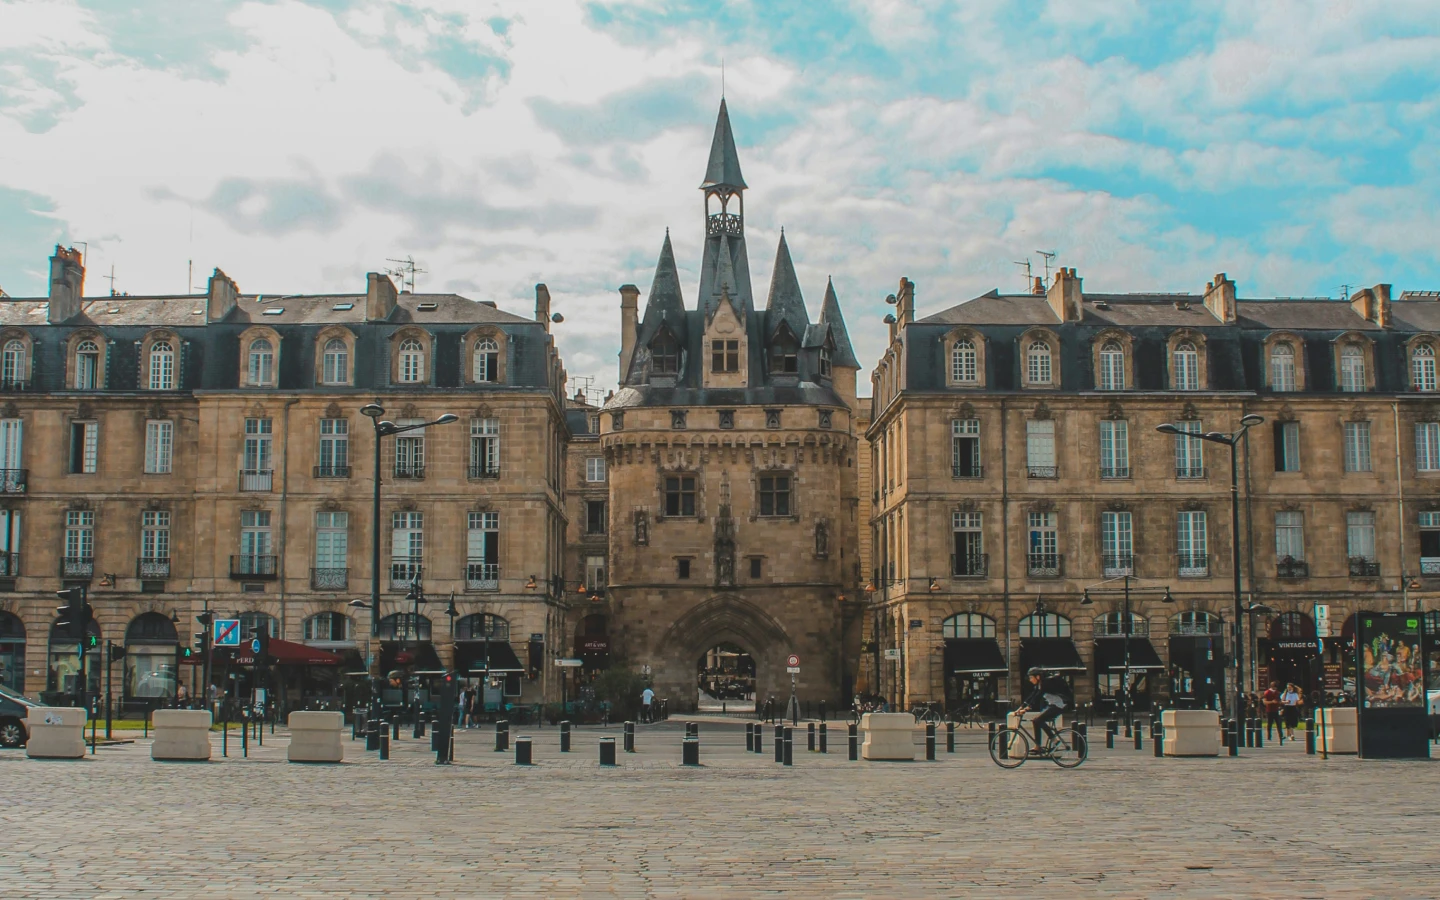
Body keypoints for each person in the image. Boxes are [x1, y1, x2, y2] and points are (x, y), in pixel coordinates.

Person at [1016, 667, 1072, 751]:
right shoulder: (1039, 685)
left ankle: (1055, 741)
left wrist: (1026, 709)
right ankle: (1038, 746)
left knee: (1038, 720)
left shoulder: (1045, 684)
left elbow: (1037, 697)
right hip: (1053, 705)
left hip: (1059, 705)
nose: (1030, 680)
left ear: (1038, 677)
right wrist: (1020, 708)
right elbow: (1032, 695)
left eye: (1031, 677)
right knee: (1035, 721)